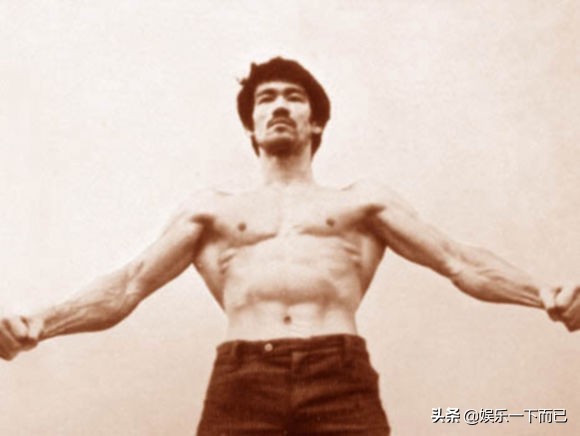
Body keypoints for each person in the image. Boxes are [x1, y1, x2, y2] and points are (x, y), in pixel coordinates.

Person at [0, 57, 578, 435]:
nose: (279, 105)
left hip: (339, 375)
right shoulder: (211, 211)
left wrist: (546, 294)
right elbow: (128, 286)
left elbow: (458, 260)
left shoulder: (362, 203)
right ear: (251, 128)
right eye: (266, 99)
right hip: (242, 378)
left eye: (294, 97)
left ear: (315, 123)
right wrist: (40, 323)